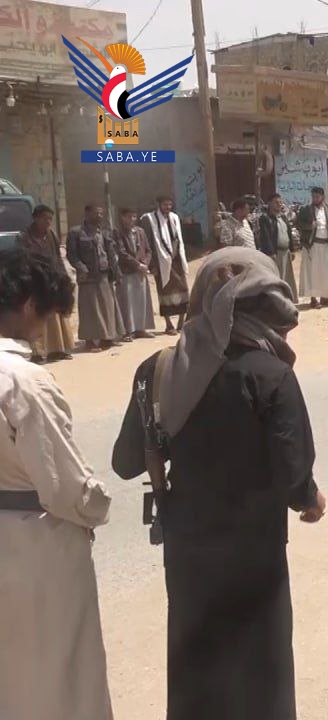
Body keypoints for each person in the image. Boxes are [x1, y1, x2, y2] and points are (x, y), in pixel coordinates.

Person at [111, 247, 326, 720]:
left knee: (196, 674)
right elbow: (295, 482)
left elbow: (125, 462)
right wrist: (313, 501)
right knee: (261, 676)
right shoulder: (272, 374)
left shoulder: (159, 368)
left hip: (188, 553)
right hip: (256, 556)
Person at [0, 248, 112, 720]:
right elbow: (67, 488)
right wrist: (98, 508)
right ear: (28, 306)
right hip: (36, 546)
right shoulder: (24, 383)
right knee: (58, 678)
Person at [18, 206, 76, 362]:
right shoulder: (25, 237)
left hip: (53, 279)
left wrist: (63, 276)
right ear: (36, 218)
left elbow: (57, 257)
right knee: (38, 316)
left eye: (50, 219)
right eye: (45, 218)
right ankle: (37, 353)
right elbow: (24, 260)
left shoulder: (51, 235)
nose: (48, 222)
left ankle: (56, 350)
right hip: (35, 281)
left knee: (55, 316)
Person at [66, 203, 123, 351]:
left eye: (101, 214)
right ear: (87, 214)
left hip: (104, 275)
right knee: (89, 310)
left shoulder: (104, 232)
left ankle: (106, 338)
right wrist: (81, 267)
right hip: (88, 278)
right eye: (96, 213)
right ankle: (90, 341)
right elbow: (72, 255)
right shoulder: (76, 232)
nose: (100, 216)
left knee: (107, 308)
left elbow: (110, 254)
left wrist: (117, 273)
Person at [143, 194, 190, 332]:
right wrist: (152, 265)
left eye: (170, 204)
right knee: (164, 292)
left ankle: (181, 322)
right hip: (160, 262)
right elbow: (148, 242)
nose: (168, 207)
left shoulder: (174, 217)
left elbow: (179, 239)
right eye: (165, 205)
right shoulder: (149, 219)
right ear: (158, 205)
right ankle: (169, 324)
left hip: (176, 261)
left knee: (183, 290)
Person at [114, 207, 157, 339]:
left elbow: (149, 250)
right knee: (127, 302)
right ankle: (128, 331)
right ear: (122, 218)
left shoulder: (140, 232)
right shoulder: (117, 232)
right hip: (127, 271)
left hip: (141, 271)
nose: (132, 220)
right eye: (129, 217)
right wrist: (138, 265)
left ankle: (141, 329)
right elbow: (122, 253)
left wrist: (145, 264)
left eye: (134, 217)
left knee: (142, 302)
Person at [296, 186, 328, 309]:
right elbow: (298, 223)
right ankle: (314, 299)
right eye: (313, 196)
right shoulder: (305, 210)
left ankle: (325, 297)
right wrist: (309, 226)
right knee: (313, 273)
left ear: (322, 197)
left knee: (327, 272)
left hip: (327, 245)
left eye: (317, 196)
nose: (315, 199)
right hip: (313, 245)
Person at [258, 194, 300, 301]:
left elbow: (289, 234)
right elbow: (266, 236)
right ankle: (276, 300)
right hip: (275, 253)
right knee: (276, 277)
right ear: (269, 204)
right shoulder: (265, 218)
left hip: (286, 252)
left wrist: (292, 249)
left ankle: (287, 299)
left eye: (280, 202)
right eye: (276, 202)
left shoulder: (283, 217)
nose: (279, 204)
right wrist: (271, 253)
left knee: (287, 277)